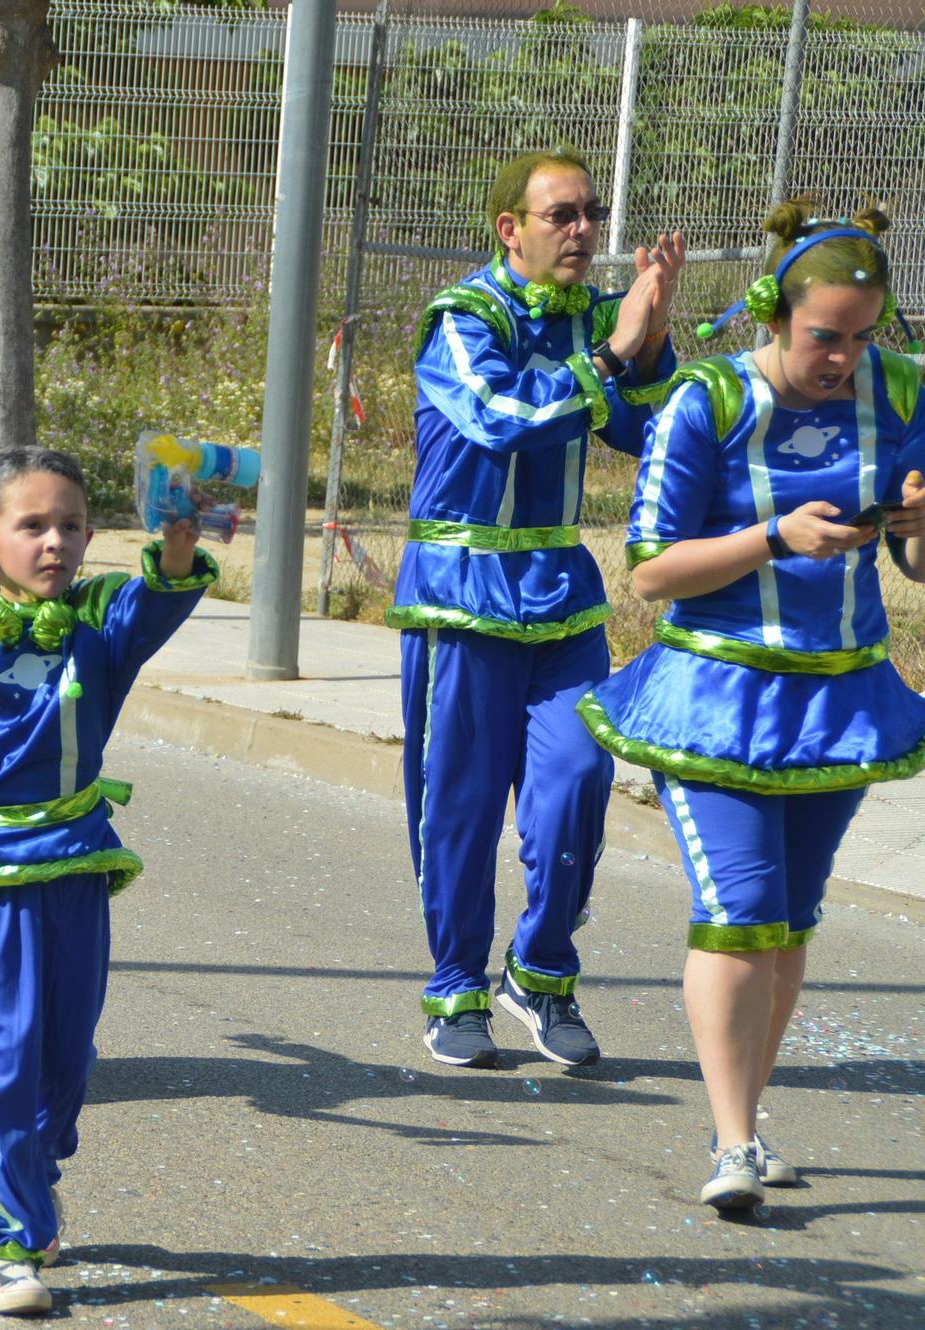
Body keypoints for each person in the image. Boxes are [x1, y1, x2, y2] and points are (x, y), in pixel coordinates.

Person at [579, 198, 925, 1209]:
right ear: (775, 312)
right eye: (824, 336)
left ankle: (750, 1117)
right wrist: (773, 538)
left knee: (785, 920)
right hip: (714, 694)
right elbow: (647, 575)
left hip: (840, 693)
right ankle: (731, 1143)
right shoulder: (703, 402)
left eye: (859, 337)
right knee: (735, 910)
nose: (841, 358)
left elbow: (913, 562)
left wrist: (914, 520)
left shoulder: (899, 391)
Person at [0, 447, 213, 1316]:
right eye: (32, 526)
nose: (55, 542)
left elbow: (163, 596)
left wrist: (178, 536)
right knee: (10, 1059)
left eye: (70, 526)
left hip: (80, 866)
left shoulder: (102, 627)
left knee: (68, 1059)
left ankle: (37, 1172)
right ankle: (8, 1241)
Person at [390, 148, 685, 1069]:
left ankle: (541, 972)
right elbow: (501, 416)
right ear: (509, 228)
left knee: (578, 785)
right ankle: (454, 988)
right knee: (463, 806)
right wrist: (612, 350)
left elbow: (643, 428)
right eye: (562, 215)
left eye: (592, 213)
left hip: (560, 601)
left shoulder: (599, 313)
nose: (585, 231)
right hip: (462, 598)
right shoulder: (462, 318)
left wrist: (656, 329)